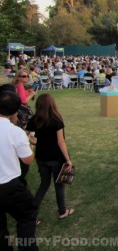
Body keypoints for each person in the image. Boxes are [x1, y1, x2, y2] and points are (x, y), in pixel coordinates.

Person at [25, 94, 74, 222]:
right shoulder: (57, 120)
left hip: (41, 157)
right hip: (56, 158)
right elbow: (61, 142)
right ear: (52, 104)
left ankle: (32, 217)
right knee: (59, 185)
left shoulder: (35, 119)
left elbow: (28, 136)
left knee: (44, 185)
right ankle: (63, 211)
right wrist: (68, 160)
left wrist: (37, 142)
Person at [0, 91, 38, 251]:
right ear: (16, 111)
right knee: (27, 217)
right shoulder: (15, 132)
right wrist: (31, 144)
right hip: (10, 185)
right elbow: (28, 159)